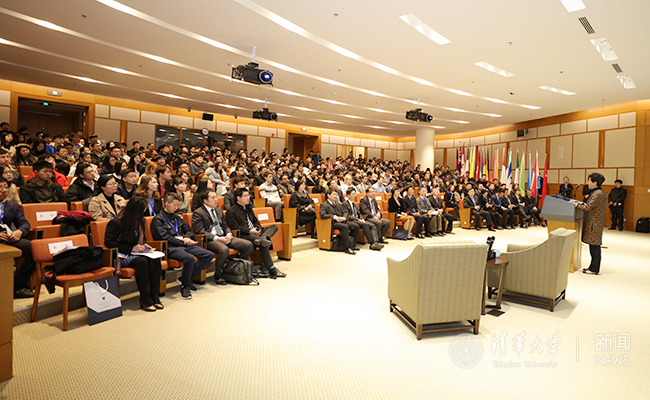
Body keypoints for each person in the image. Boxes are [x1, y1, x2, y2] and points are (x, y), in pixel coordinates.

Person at [104, 197, 163, 311]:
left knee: (155, 259)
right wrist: (131, 248)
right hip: (121, 255)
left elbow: (142, 237)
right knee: (142, 262)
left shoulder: (140, 220)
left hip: (136, 252)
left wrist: (144, 244)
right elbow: (109, 243)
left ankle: (155, 296)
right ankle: (145, 298)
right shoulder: (117, 222)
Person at [152, 192, 215, 299]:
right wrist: (183, 242)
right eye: (174, 205)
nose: (176, 207)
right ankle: (185, 286)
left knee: (209, 255)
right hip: (170, 247)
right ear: (166, 204)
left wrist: (187, 238)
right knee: (189, 258)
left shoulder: (177, 217)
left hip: (184, 244)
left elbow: (189, 230)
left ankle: (184, 279)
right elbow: (165, 237)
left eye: (178, 205)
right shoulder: (158, 219)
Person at [191, 189, 254, 285]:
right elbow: (200, 231)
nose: (216, 199)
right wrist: (218, 238)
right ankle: (218, 274)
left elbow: (225, 225)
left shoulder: (218, 210)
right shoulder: (198, 212)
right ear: (205, 201)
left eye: (216, 197)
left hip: (223, 236)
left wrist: (228, 234)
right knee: (224, 249)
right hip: (210, 240)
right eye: (213, 198)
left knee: (248, 245)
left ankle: (235, 267)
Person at [225, 187, 287, 278]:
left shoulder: (249, 208)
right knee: (263, 243)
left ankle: (263, 238)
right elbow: (235, 228)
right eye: (246, 196)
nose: (248, 198)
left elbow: (255, 221)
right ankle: (272, 268)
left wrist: (257, 228)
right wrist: (250, 231)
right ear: (238, 198)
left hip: (255, 232)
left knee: (274, 227)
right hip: (245, 235)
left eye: (248, 195)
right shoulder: (231, 211)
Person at [0, 178, 36, 298]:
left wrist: (19, 231)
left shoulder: (12, 205)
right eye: (0, 187)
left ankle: (16, 287)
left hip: (8, 239)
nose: (4, 190)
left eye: (6, 187)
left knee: (34, 248)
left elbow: (24, 223)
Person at [575, 173, 607, 275]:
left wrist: (576, 205)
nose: (588, 183)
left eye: (589, 181)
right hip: (594, 223)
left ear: (595, 183)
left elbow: (588, 207)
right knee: (593, 246)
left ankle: (594, 268)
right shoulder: (597, 192)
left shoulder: (597, 194)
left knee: (595, 247)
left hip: (594, 224)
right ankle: (593, 267)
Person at [319, 188, 359, 254]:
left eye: (336, 194)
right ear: (328, 195)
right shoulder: (324, 205)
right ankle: (347, 248)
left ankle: (352, 245)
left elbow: (345, 212)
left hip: (342, 220)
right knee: (344, 227)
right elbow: (323, 215)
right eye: (334, 194)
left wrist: (344, 217)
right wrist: (334, 217)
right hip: (333, 222)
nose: (335, 196)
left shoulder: (337, 204)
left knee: (355, 226)